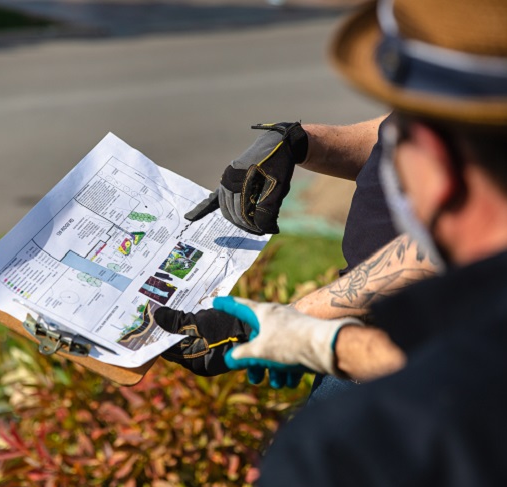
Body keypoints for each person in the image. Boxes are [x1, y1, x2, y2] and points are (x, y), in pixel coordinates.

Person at [210, 0, 507, 487]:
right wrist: (299, 141)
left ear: (439, 170)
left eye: (403, 143)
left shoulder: (352, 456)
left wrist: (308, 320)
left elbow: (463, 378)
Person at [156, 114, 437, 393]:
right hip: (359, 345)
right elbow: (398, 134)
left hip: (425, 362)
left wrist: (293, 322)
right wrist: (298, 141)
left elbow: (443, 249)